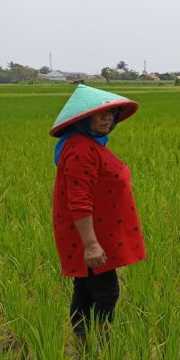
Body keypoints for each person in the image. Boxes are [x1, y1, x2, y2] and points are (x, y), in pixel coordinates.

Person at [50, 84, 145, 341]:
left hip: (97, 231)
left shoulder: (89, 144)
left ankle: (84, 341)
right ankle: (101, 344)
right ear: (82, 118)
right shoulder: (80, 149)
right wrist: (91, 245)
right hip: (90, 235)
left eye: (111, 114)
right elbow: (79, 201)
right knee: (106, 292)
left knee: (85, 288)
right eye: (100, 113)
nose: (107, 118)